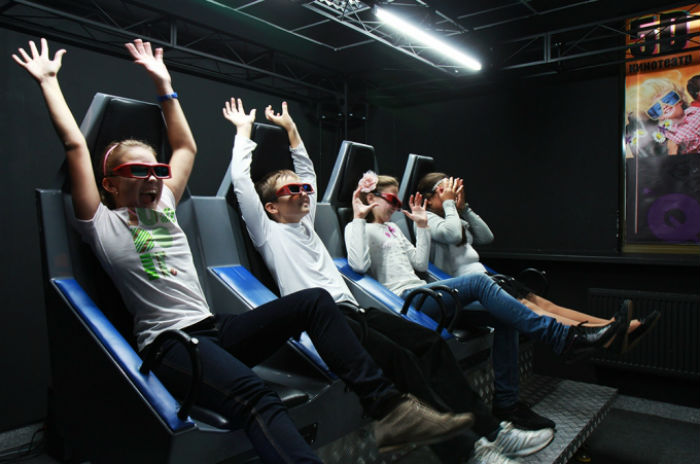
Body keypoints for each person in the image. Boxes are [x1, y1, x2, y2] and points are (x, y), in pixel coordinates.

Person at [14, 38, 476, 464]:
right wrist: (49, 81)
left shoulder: (166, 208)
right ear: (110, 184)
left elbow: (184, 146)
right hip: (170, 343)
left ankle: (389, 409)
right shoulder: (101, 223)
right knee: (258, 398)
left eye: (158, 169)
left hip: (214, 328)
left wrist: (164, 85)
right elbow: (75, 144)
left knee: (315, 302)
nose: (154, 177)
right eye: (138, 171)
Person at [224, 98, 555, 463]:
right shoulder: (267, 232)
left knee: (430, 344)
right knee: (401, 362)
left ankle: (493, 431)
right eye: (291, 190)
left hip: (354, 312)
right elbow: (242, 182)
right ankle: (470, 452)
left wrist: (291, 129)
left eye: (303, 189)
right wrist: (244, 132)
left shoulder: (306, 225)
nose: (303, 191)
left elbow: (308, 170)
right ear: (271, 207)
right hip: (325, 322)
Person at [344, 172, 631, 430]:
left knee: (503, 317)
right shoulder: (358, 228)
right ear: (371, 198)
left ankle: (507, 404)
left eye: (397, 201)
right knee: (480, 282)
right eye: (392, 199)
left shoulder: (394, 229)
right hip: (406, 300)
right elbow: (358, 265)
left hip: (425, 292)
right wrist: (358, 218)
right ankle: (562, 337)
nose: (396, 206)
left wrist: (420, 226)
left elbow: (419, 263)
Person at [415, 172, 661, 356]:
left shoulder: (453, 216)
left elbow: (486, 237)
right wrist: (450, 205)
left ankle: (612, 327)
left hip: (487, 279)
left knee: (546, 304)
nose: (449, 195)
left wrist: (464, 208)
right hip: (464, 289)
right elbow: (451, 235)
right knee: (533, 309)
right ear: (428, 198)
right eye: (443, 191)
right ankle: (604, 336)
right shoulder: (428, 220)